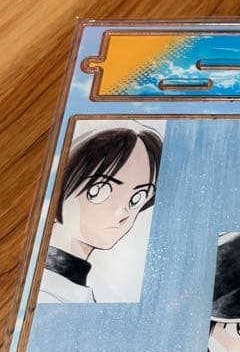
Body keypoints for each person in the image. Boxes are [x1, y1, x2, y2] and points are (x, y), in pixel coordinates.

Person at [39, 124, 162, 303]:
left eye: (136, 199)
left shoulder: (73, 290)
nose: (123, 213)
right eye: (100, 190)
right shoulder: (46, 291)